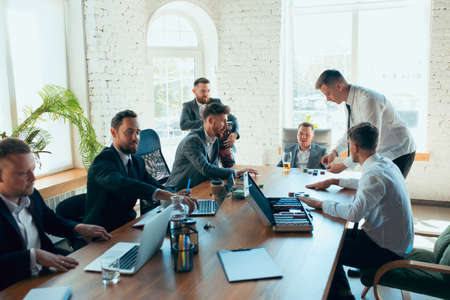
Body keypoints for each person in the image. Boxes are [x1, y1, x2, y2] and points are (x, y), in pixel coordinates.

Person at [298, 123, 414, 300]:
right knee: (336, 237)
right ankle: (344, 292)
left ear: (354, 147)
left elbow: (354, 214)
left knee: (326, 250)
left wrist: (320, 204)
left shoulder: (374, 173)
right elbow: (367, 184)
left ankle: (343, 296)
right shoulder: (384, 164)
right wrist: (334, 181)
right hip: (395, 242)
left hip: (388, 252)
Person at [0, 138, 111, 290]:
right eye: (23, 173)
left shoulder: (32, 195)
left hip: (46, 273)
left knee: (100, 279)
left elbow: (50, 221)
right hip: (14, 286)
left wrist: (77, 227)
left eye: (33, 169)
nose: (33, 178)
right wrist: (33, 256)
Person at [84, 110, 197, 232]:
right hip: (102, 233)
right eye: (129, 132)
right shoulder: (103, 161)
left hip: (128, 227)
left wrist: (175, 195)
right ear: (113, 132)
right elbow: (122, 184)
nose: (135, 138)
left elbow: (154, 185)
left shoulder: (137, 161)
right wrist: (167, 196)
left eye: (137, 133)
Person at [316, 69, 416, 178]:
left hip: (397, 152)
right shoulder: (348, 103)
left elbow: (367, 141)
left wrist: (343, 166)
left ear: (339, 87)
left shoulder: (368, 99)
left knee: (387, 192)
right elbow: (352, 134)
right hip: (381, 153)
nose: (327, 99)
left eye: (328, 94)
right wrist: (334, 153)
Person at [167, 102, 257, 191]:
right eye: (223, 121)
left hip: (199, 188)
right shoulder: (192, 141)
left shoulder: (215, 139)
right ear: (210, 120)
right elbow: (206, 169)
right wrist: (235, 173)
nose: (226, 126)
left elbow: (214, 169)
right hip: (177, 193)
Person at [180, 77, 240, 166]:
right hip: (201, 143)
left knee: (229, 168)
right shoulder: (187, 106)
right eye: (203, 91)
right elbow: (183, 124)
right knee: (207, 170)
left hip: (220, 142)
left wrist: (235, 134)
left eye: (208, 91)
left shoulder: (216, 102)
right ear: (194, 91)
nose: (206, 94)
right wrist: (207, 122)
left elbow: (233, 119)